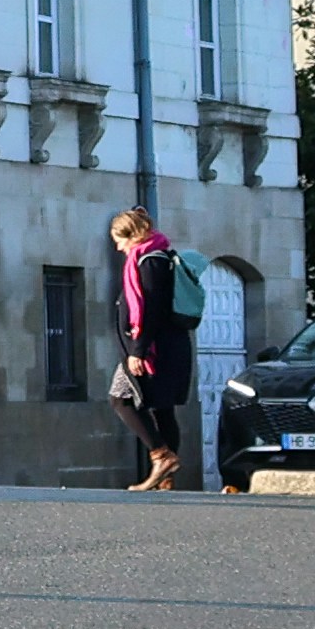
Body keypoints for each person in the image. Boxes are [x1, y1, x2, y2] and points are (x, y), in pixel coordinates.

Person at [108, 201, 199, 491]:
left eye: (119, 241)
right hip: (165, 347)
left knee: (120, 399)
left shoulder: (150, 260)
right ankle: (166, 478)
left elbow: (152, 308)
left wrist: (138, 350)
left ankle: (161, 456)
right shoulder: (155, 255)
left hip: (155, 349)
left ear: (132, 235)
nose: (119, 248)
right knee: (162, 408)